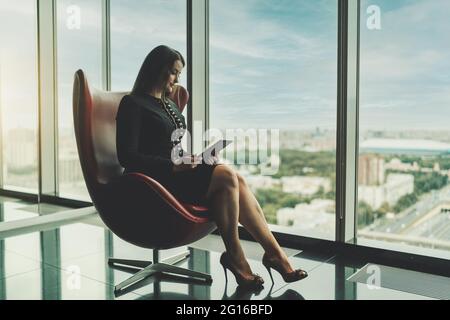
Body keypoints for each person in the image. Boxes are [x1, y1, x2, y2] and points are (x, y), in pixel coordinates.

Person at [116, 45, 307, 289]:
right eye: (173, 72)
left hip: (176, 174)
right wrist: (173, 166)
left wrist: (194, 159)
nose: (176, 79)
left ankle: (272, 254)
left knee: (235, 179)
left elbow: (171, 147)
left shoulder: (170, 104)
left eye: (178, 74)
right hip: (153, 183)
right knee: (228, 175)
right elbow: (127, 156)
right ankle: (242, 257)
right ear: (157, 69)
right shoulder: (132, 104)